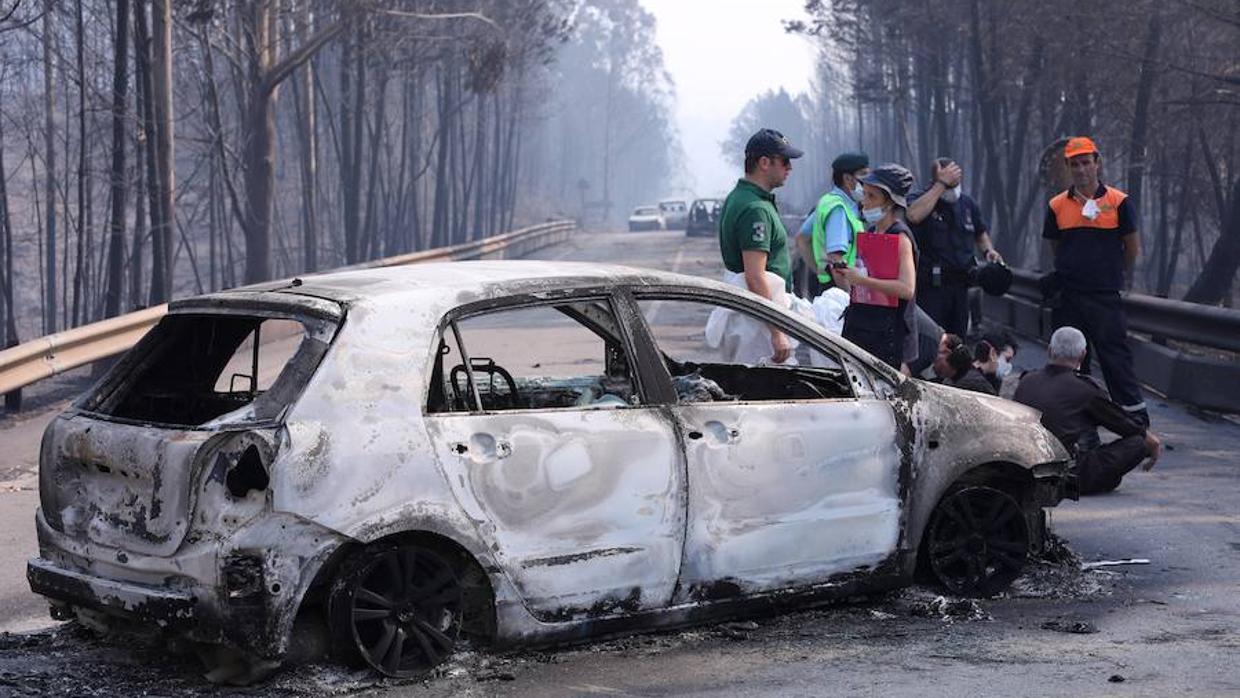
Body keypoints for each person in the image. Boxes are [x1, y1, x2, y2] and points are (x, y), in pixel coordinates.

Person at [1042, 137, 1148, 426]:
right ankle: (1077, 422)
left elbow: (1132, 248)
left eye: (1086, 162)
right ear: (1067, 167)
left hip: (1104, 296)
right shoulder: (1056, 206)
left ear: (1097, 163)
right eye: (1074, 164)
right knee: (1071, 363)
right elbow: (1056, 248)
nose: (1081, 170)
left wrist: (1111, 274)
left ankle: (1135, 420)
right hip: (1069, 296)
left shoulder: (1119, 202)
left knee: (1115, 357)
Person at [1014, 326, 1162, 495]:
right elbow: (1124, 424)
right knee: (1137, 443)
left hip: (1022, 466)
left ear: (1049, 350)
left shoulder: (1026, 380)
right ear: (1083, 355)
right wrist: (1151, 442)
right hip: (1061, 473)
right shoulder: (1084, 389)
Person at [718, 128, 803, 363]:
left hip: (755, 316)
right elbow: (755, 276)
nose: (790, 168)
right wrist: (777, 332)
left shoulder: (741, 197)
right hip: (759, 326)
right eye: (785, 161)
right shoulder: (755, 208)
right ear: (764, 162)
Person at [906, 158, 1002, 337]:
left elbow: (980, 233)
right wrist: (941, 185)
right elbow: (912, 215)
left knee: (958, 342)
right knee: (932, 339)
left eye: (954, 184)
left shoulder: (967, 204)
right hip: (931, 288)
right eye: (947, 183)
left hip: (960, 288)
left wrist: (989, 250)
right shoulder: (921, 199)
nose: (952, 190)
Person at [834, 164, 918, 369]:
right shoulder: (871, 232)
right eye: (866, 195)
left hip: (888, 333)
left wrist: (862, 280)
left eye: (872, 197)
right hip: (863, 326)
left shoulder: (900, 237)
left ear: (889, 204)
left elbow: (906, 289)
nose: (865, 202)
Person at [932, 334, 996, 395]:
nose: (934, 357)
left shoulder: (971, 384)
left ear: (947, 352)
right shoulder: (951, 379)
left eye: (938, 352)